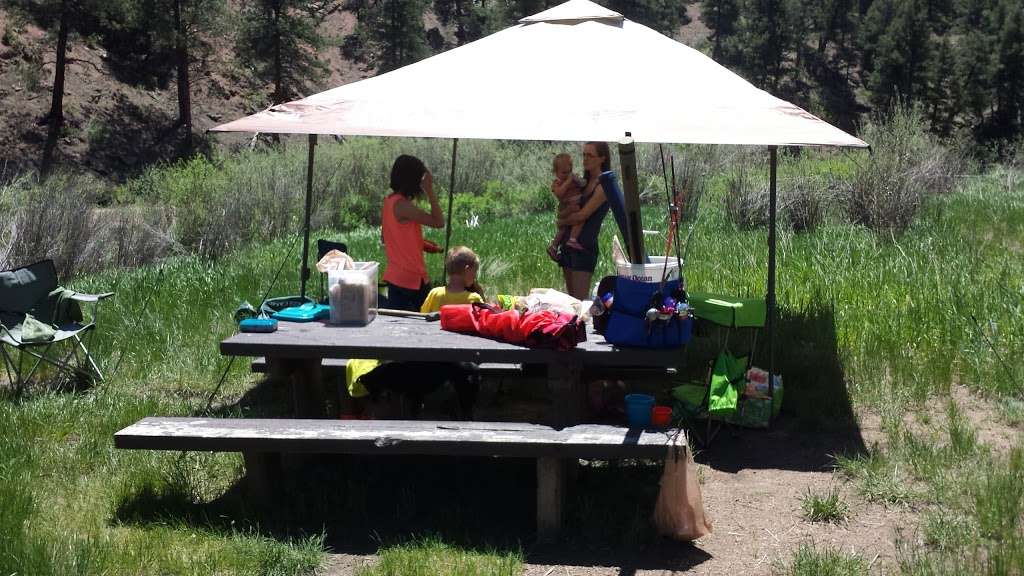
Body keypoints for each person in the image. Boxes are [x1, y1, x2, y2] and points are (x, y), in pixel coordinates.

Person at [381, 154, 444, 312]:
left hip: (395, 278)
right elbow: (438, 222)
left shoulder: (389, 201)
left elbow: (387, 237)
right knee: (425, 325)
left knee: (398, 328)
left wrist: (423, 245)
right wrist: (430, 191)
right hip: (411, 279)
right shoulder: (403, 206)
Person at [556, 141, 613, 300]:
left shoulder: (603, 186)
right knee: (570, 302)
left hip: (584, 248)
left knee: (579, 302)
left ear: (602, 158)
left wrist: (562, 222)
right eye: (583, 155)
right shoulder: (583, 182)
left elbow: (582, 215)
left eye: (590, 155)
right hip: (568, 245)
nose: (585, 159)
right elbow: (564, 205)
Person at [420, 246, 484, 313]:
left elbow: (423, 315)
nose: (475, 276)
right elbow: (484, 319)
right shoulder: (474, 299)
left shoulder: (435, 293)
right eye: (475, 271)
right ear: (467, 270)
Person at [546, 153, 585, 261]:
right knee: (576, 220)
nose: (567, 175)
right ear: (556, 172)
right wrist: (568, 181)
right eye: (563, 172)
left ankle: (554, 247)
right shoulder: (557, 183)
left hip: (575, 205)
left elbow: (583, 184)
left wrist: (577, 179)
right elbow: (560, 194)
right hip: (567, 207)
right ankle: (570, 240)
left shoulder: (573, 178)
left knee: (564, 229)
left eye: (569, 171)